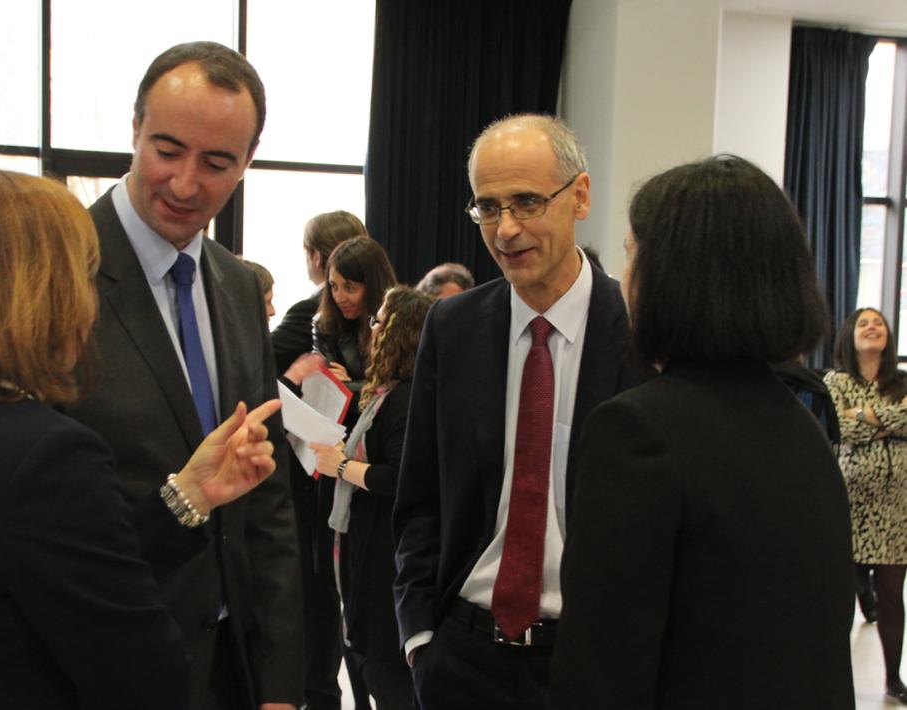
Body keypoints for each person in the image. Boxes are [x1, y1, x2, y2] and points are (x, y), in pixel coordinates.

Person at [0, 168, 283, 710]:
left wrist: (187, 495)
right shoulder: (45, 456)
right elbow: (145, 671)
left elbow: (39, 576)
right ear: (45, 294)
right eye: (84, 276)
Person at [549, 155, 855, 708]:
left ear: (669, 277)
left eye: (631, 253)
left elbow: (601, 670)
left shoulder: (638, 432)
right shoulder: (801, 425)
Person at [63, 41, 301, 710]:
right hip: (105, 666)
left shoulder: (234, 283)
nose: (187, 183)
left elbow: (269, 499)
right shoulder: (58, 277)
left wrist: (280, 681)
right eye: (167, 150)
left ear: (248, 163)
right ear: (134, 130)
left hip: (230, 670)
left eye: (217, 163)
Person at [392, 114, 648, 710]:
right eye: (487, 207)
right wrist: (420, 639)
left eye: (527, 202)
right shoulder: (451, 329)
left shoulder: (641, 332)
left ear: (579, 196)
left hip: (591, 664)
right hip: (461, 658)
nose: (506, 229)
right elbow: (419, 500)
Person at [310, 286, 432, 710]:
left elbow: (401, 477)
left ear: (399, 332)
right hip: (372, 542)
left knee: (386, 674)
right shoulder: (390, 390)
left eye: (380, 320)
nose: (373, 327)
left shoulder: (404, 397)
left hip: (386, 552)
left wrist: (341, 466)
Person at [270, 210, 371, 710]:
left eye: (351, 286)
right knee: (326, 596)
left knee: (338, 597)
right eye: (337, 286)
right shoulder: (318, 321)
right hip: (323, 469)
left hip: (356, 474)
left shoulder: (308, 316)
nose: (342, 296)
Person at [826, 306, 907, 703]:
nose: (872, 327)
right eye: (863, 323)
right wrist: (889, 420)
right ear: (849, 336)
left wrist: (864, 415)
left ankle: (894, 678)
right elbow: (839, 427)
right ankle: (834, 676)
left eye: (878, 323)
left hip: (897, 507)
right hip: (850, 502)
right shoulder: (835, 381)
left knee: (891, 594)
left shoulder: (903, 382)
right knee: (841, 595)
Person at [313, 235, 397, 427]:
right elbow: (326, 393)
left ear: (373, 285)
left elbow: (396, 394)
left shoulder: (398, 323)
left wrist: (349, 385)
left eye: (349, 288)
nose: (339, 297)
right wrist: (365, 386)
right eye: (333, 287)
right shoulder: (323, 324)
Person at [273, 210, 368, 374]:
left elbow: (261, 356)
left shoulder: (309, 310)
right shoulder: (384, 306)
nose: (339, 298)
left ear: (315, 256)